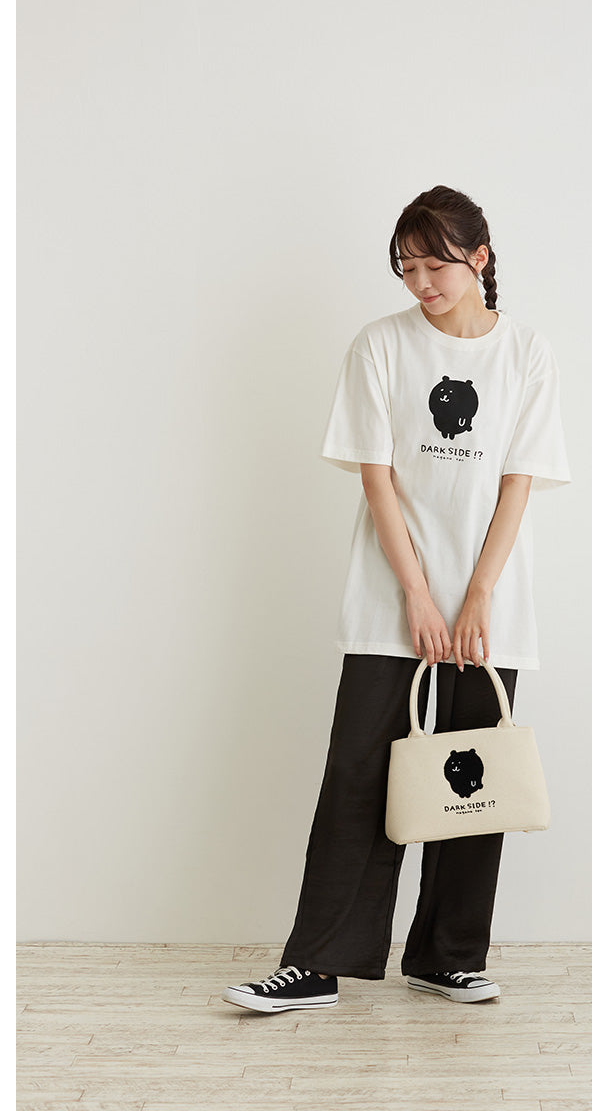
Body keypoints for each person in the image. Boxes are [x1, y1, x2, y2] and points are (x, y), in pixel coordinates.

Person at [222, 185, 572, 1014]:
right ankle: (317, 964)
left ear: (479, 258)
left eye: (434, 266)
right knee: (357, 773)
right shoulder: (379, 347)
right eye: (406, 269)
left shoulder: (527, 353)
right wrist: (416, 592)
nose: (421, 284)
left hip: (490, 605)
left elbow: (518, 483)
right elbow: (376, 479)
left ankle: (446, 957)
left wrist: (477, 593)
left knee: (472, 783)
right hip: (391, 598)